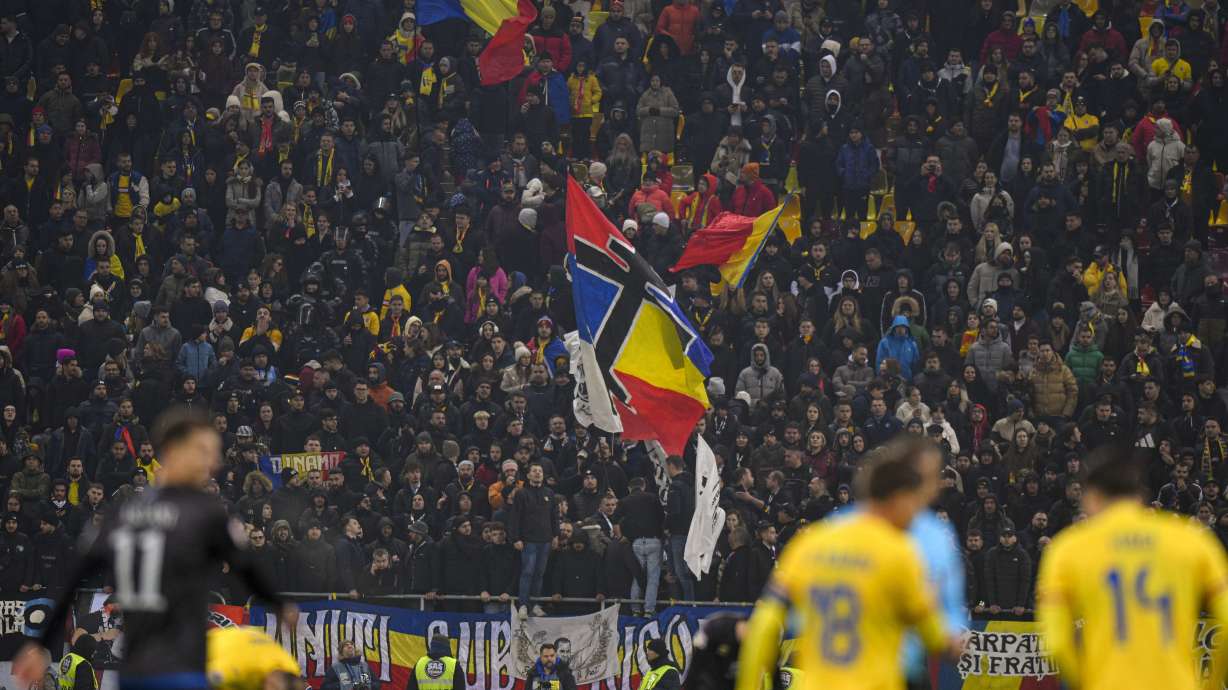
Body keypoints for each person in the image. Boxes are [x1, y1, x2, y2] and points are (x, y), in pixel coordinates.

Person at [12, 408, 299, 690]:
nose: (214, 461)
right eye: (204, 450)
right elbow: (247, 567)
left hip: (134, 673)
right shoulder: (204, 512)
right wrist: (279, 604)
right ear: (173, 450)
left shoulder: (121, 513)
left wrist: (38, 645)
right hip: (182, 668)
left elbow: (70, 579)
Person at [735, 437, 964, 690]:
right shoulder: (899, 553)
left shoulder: (812, 544)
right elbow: (934, 634)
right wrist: (950, 643)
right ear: (902, 496)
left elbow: (763, 625)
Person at [1037, 447, 1228, 690]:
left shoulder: (1068, 549)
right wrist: (1210, 684)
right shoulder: (1191, 541)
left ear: (1092, 496)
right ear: (1139, 496)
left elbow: (1056, 640)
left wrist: (1084, 679)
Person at [206, 626, 301, 690]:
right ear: (272, 685)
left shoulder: (292, 668)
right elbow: (200, 678)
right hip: (210, 644)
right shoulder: (236, 667)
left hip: (248, 636)